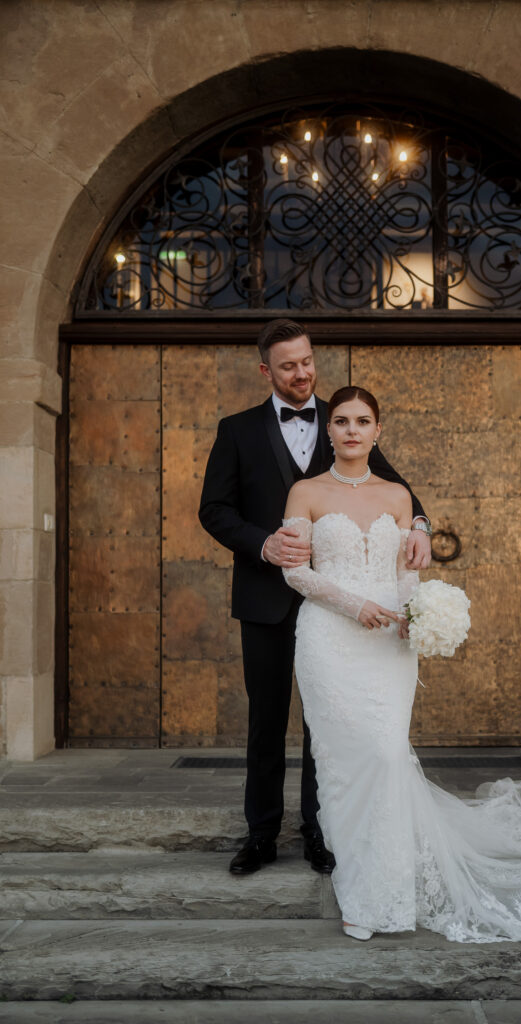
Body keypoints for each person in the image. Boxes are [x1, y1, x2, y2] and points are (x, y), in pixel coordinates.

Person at [282, 384, 521, 943]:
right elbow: (296, 572)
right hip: (328, 641)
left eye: (363, 421)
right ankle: (363, 888)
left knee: (388, 755)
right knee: (343, 764)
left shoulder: (398, 497)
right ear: (329, 430)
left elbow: (407, 570)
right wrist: (354, 604)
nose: (351, 430)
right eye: (341, 421)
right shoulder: (305, 492)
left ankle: (388, 885)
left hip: (387, 643)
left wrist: (413, 613)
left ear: (378, 431)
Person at [198, 320, 432, 876]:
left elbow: (398, 489)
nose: (302, 373)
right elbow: (214, 510)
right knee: (267, 718)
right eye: (288, 365)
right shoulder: (236, 430)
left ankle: (320, 829)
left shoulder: (345, 418)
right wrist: (265, 545)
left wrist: (419, 523)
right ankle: (261, 834)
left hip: (341, 608)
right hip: (266, 599)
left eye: (306, 361)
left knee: (328, 723)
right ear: (266, 371)